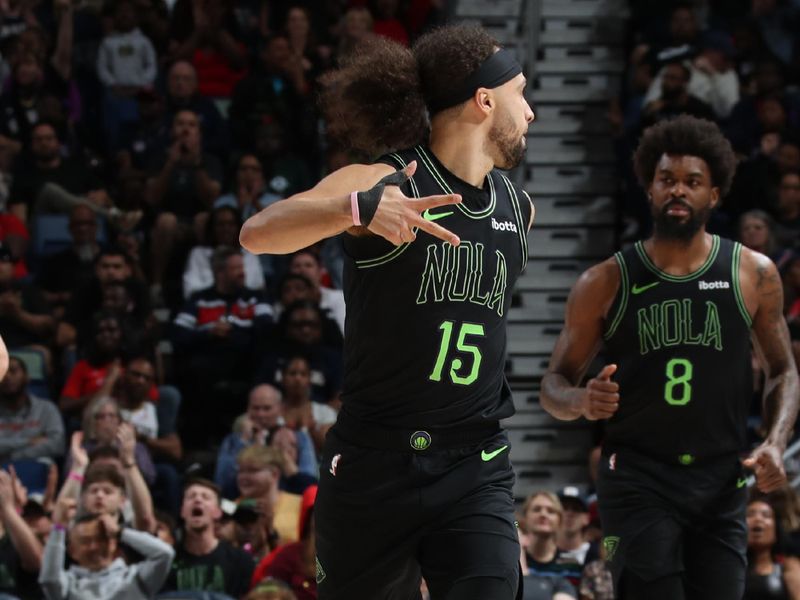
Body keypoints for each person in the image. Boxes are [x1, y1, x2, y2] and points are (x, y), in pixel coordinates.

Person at [240, 25, 535, 600]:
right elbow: (256, 234)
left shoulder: (517, 208)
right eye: (521, 93)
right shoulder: (384, 179)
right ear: (484, 100)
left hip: (473, 461)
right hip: (376, 461)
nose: (530, 112)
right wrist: (358, 208)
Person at [540, 115, 800, 599]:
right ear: (650, 190)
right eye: (667, 180)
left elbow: (783, 371)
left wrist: (775, 440)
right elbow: (552, 384)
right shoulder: (604, 281)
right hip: (637, 476)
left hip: (720, 477)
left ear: (714, 195)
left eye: (693, 182)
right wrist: (580, 401)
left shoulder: (752, 273)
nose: (678, 190)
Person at [39, 496, 175, 600]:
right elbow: (49, 580)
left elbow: (165, 554)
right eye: (86, 541)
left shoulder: (135, 577)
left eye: (101, 539)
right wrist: (58, 528)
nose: (94, 547)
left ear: (114, 543)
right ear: (72, 551)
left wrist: (120, 532)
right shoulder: (68, 584)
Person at [160, 478, 255, 598]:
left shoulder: (240, 560)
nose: (198, 500)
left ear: (217, 512)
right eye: (191, 496)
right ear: (182, 511)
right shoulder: (167, 561)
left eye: (206, 497)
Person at [744, 495, 800, 599]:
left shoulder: (788, 566)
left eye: (766, 515)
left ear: (776, 530)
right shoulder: (731, 566)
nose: (757, 518)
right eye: (750, 514)